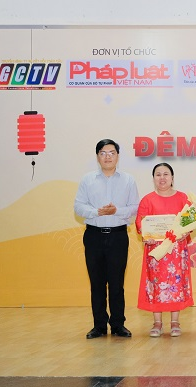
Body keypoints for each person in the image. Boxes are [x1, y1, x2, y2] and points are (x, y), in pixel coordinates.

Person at [74, 139, 139, 339]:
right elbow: (78, 206)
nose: (107, 156)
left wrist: (116, 211)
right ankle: (99, 325)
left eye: (111, 153)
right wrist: (97, 212)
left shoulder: (128, 180)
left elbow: (135, 207)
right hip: (93, 236)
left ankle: (118, 324)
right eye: (103, 153)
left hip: (118, 236)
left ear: (117, 156)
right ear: (98, 157)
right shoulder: (87, 180)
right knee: (97, 283)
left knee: (117, 283)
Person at [135, 163, 194, 337]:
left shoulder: (183, 198)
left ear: (172, 177)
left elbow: (190, 221)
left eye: (166, 174)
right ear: (153, 178)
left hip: (176, 250)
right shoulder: (147, 200)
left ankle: (175, 322)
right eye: (158, 174)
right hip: (156, 251)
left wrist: (185, 233)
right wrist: (146, 235)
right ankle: (157, 323)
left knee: (176, 283)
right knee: (156, 284)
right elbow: (140, 222)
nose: (162, 178)